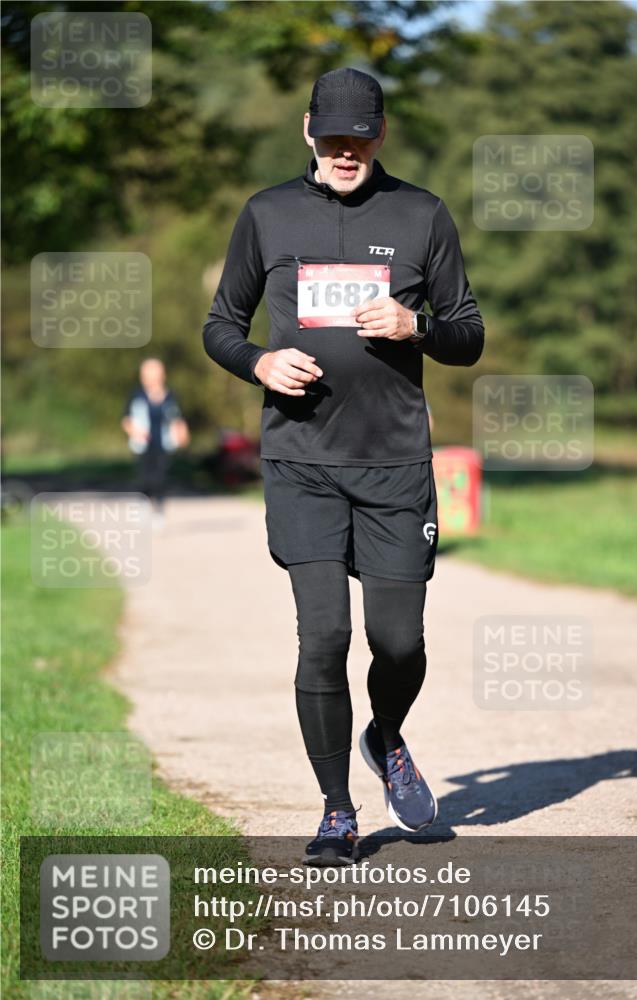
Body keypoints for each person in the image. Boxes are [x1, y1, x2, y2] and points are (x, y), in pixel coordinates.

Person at [203, 67, 484, 866]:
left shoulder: (422, 214)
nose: (345, 151)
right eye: (331, 137)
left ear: (380, 135)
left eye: (359, 137)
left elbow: (468, 332)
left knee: (396, 644)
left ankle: (386, 734)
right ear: (307, 132)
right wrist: (257, 364)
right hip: (302, 460)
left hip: (394, 463)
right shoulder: (266, 214)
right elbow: (220, 324)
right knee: (322, 637)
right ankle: (336, 811)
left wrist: (415, 324)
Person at [121, 358, 189, 521]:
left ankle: (159, 508)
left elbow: (178, 418)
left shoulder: (170, 395)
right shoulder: (136, 395)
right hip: (143, 444)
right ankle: (144, 501)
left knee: (161, 477)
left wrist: (182, 434)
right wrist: (134, 431)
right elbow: (126, 419)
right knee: (145, 476)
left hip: (164, 443)